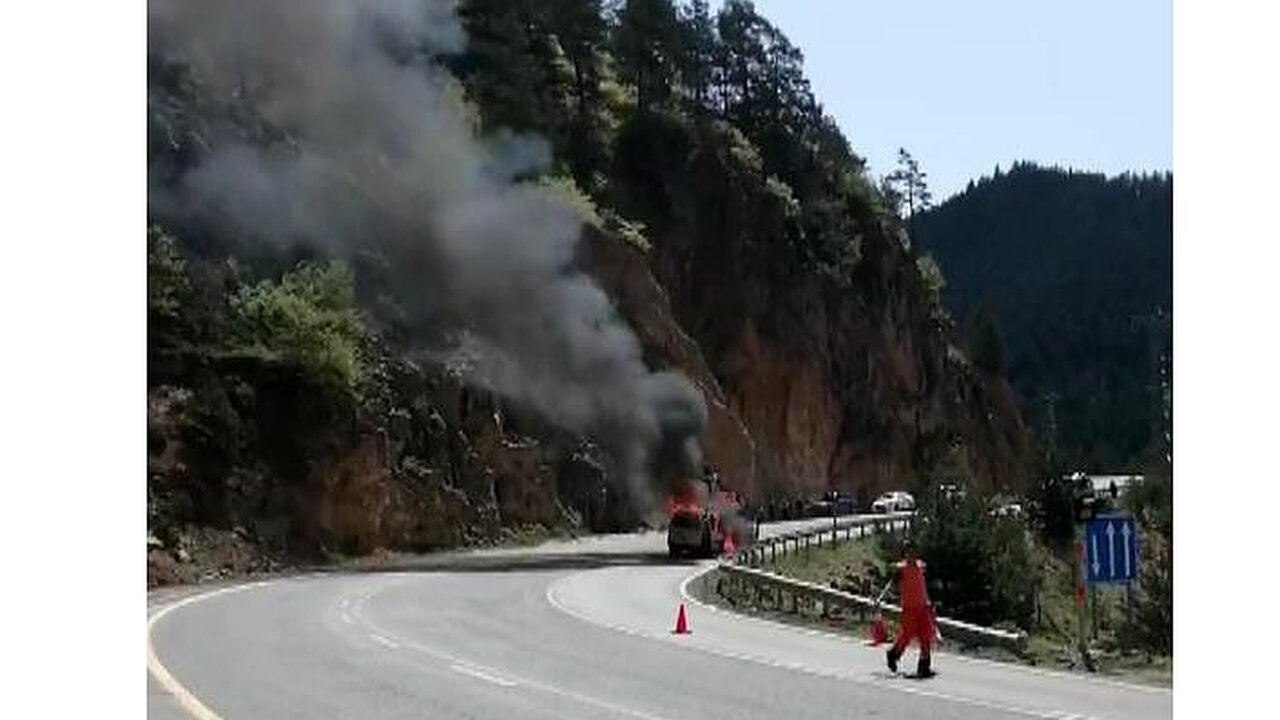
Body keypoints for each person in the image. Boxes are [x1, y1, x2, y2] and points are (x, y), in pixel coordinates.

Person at [886, 541, 936, 677]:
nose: (912, 554)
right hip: (909, 608)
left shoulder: (920, 566)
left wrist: (928, 602)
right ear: (906, 554)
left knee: (926, 636)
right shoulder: (902, 569)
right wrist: (896, 577)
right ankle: (893, 654)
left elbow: (922, 585)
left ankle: (924, 666)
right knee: (907, 635)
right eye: (909, 552)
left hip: (923, 607)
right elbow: (893, 584)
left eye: (914, 551)